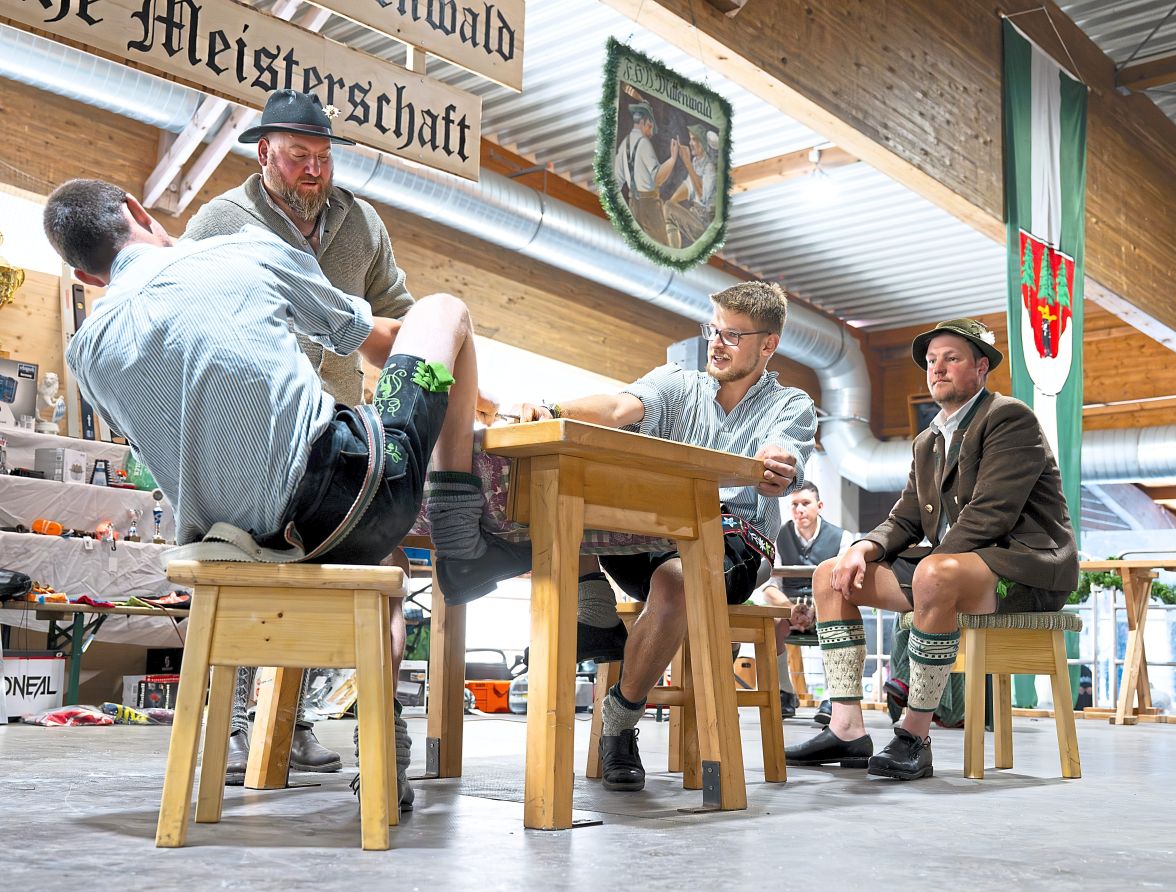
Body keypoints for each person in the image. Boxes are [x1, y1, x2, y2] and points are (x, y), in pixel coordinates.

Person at [42, 178, 529, 808]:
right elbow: (378, 339)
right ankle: (462, 544)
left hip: (240, 546)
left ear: (87, 276)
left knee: (376, 568)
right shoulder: (236, 250)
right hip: (352, 499)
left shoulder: (87, 352)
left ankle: (391, 755)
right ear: (139, 212)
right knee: (443, 312)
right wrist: (476, 398)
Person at [182, 90, 420, 782]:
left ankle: (291, 721)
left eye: (322, 157)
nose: (314, 171)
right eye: (298, 157)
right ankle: (228, 728)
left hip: (333, 437)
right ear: (264, 154)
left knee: (327, 571)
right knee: (239, 576)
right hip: (244, 435)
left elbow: (398, 314)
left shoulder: (361, 224)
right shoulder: (222, 221)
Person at [520, 281, 817, 792]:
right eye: (713, 329)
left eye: (732, 334)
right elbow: (617, 408)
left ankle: (618, 723)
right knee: (563, 492)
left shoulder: (791, 404)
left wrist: (778, 464)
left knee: (680, 581)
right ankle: (593, 606)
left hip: (735, 541)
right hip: (651, 535)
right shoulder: (677, 383)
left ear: (767, 345)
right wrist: (554, 408)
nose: (716, 344)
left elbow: (781, 450)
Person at [784, 318, 1079, 780]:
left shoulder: (1008, 418)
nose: (937, 368)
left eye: (952, 358)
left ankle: (914, 735)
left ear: (981, 367)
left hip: (1025, 570)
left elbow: (991, 515)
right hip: (957, 567)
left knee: (934, 574)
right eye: (931, 361)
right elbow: (905, 518)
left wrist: (933, 564)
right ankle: (846, 727)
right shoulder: (928, 439)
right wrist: (863, 546)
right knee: (830, 574)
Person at [755, 481, 845, 720]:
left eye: (805, 503)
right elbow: (768, 584)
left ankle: (831, 697)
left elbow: (844, 582)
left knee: (836, 617)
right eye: (794, 504)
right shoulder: (777, 536)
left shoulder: (841, 538)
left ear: (819, 505)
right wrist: (791, 609)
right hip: (789, 604)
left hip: (825, 603)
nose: (800, 509)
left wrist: (817, 608)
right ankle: (785, 693)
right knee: (771, 622)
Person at [613, 102, 678, 245]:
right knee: (662, 249)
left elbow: (616, 182)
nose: (652, 129)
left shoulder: (624, 144)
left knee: (639, 247)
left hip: (633, 205)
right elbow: (658, 178)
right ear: (643, 122)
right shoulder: (644, 144)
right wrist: (672, 159)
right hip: (649, 206)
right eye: (650, 125)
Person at [664, 123, 718, 247]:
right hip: (695, 219)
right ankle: (674, 251)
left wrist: (687, 162)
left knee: (668, 208)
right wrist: (671, 204)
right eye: (690, 139)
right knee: (668, 206)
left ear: (703, 144)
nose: (690, 143)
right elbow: (687, 187)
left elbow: (702, 195)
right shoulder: (696, 163)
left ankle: (675, 254)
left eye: (694, 139)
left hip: (705, 226)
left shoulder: (709, 167)